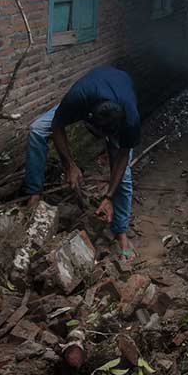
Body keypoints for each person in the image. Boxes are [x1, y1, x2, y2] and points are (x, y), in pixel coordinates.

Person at [23, 66, 141, 263]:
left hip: (118, 90)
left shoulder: (130, 119)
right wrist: (70, 164)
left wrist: (109, 196)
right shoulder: (78, 98)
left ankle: (121, 233)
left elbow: (122, 158)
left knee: (124, 177)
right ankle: (34, 193)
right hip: (92, 93)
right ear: (88, 118)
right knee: (37, 130)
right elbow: (57, 125)